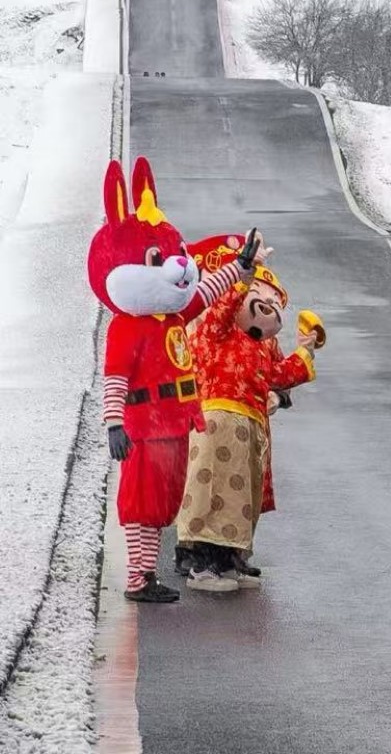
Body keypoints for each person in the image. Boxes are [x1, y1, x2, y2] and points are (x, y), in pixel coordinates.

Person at [86, 158, 256, 603]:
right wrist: (114, 424)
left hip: (175, 425)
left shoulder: (173, 317)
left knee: (162, 506)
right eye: (158, 258)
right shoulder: (126, 328)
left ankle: (147, 575)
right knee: (140, 505)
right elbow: (115, 379)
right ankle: (137, 579)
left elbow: (206, 291)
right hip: (144, 428)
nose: (178, 265)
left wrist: (238, 268)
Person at [175, 257, 320, 592]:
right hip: (217, 421)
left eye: (274, 301)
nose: (267, 304)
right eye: (258, 294)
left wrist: (305, 352)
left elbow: (280, 374)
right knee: (213, 490)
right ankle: (202, 566)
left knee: (240, 496)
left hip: (251, 424)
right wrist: (242, 278)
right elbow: (221, 312)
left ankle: (228, 561)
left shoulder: (263, 345)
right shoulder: (217, 329)